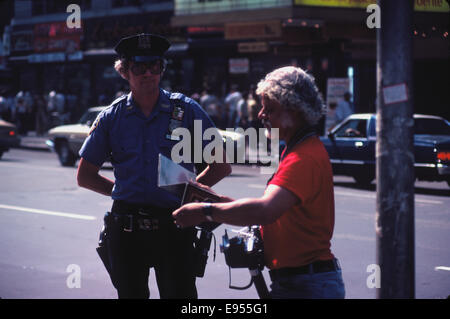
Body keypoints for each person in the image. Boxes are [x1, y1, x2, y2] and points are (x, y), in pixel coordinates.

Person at [76, 33, 231, 299]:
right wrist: (124, 189)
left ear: (162, 69)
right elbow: (85, 176)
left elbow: (221, 166)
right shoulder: (111, 117)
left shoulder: (187, 111)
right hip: (126, 231)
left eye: (154, 66)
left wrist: (190, 193)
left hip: (175, 226)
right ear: (125, 71)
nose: (148, 73)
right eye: (139, 67)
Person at [173, 66, 345, 299]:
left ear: (293, 111)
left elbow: (264, 211)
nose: (261, 115)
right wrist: (221, 202)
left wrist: (207, 211)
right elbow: (277, 212)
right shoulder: (298, 148)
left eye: (269, 108)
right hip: (301, 282)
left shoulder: (302, 157)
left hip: (305, 285)